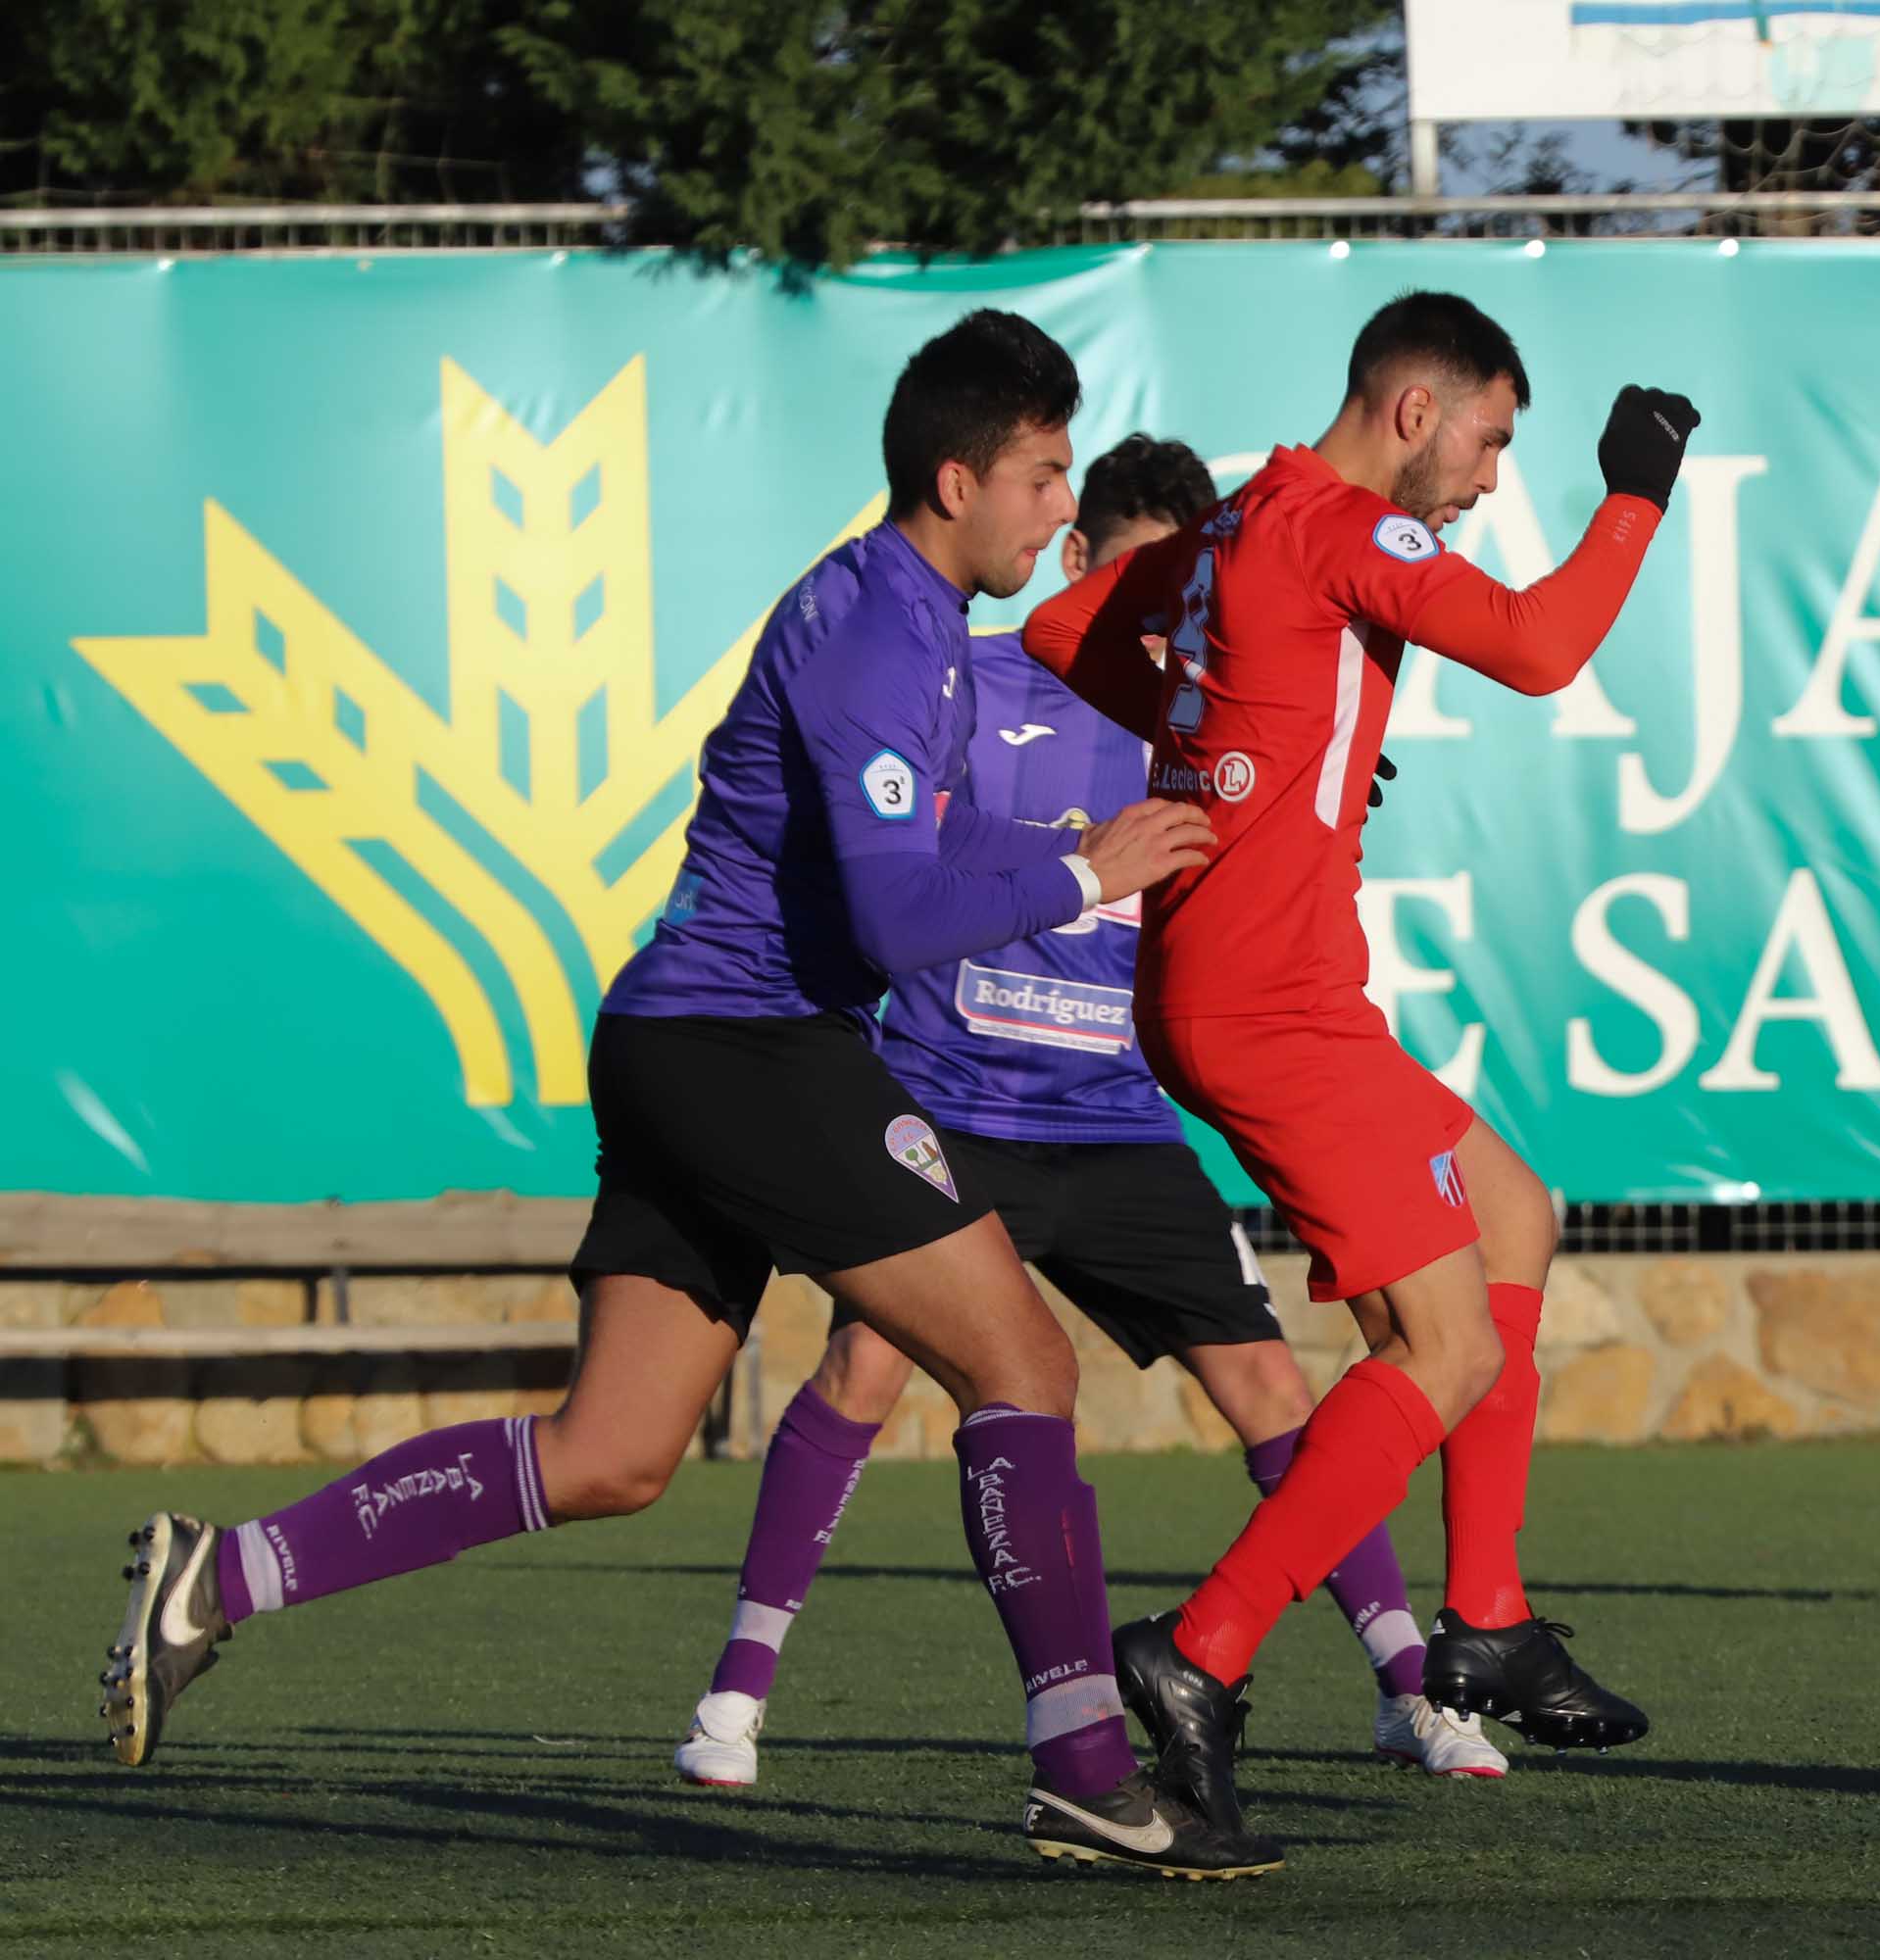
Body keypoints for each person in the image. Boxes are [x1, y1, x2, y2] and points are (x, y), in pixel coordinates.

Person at [97, 312, 1276, 1881]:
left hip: (689, 1044)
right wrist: (1084, 868)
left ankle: (218, 1574)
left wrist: (1119, 845)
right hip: (748, 1048)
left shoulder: (914, 621)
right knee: (1025, 1361)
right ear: (955, 478)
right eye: (1047, 475)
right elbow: (890, 922)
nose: (1065, 509)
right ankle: (1081, 1769)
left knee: (613, 1455)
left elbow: (926, 866)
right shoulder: (878, 631)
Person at [670, 433, 1505, 1791]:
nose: (1167, 625)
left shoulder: (1230, 717)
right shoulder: (972, 685)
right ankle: (735, 1694)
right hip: (956, 1112)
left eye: (1187, 599)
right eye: (1134, 583)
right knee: (862, 1376)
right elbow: (898, 844)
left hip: (1118, 1123)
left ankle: (1413, 1687)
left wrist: (1319, 786)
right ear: (1077, 564)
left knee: (1272, 1387)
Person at [1024, 289, 1697, 1841]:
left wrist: (1238, 728)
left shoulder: (1250, 513)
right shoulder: (1333, 525)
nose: (1486, 479)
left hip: (1248, 986)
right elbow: (1536, 648)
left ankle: (1489, 1616)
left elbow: (1071, 627)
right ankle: (1200, 1653)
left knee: (1515, 1214)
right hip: (1271, 1003)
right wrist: (1635, 494)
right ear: (1413, 410)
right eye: (1489, 440)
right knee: (1445, 1355)